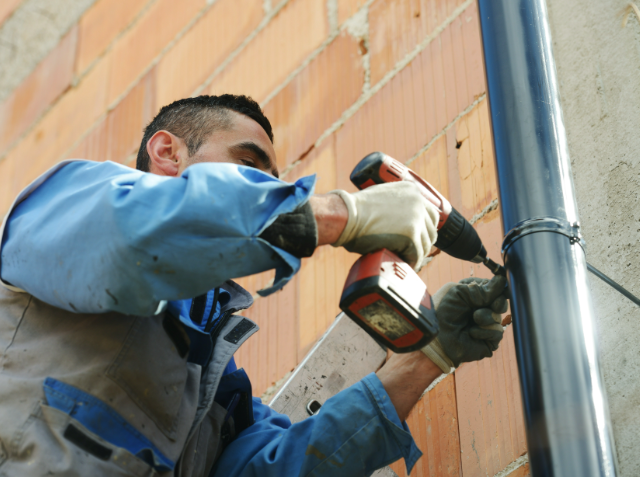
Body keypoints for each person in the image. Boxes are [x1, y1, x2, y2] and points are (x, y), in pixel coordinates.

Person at [0, 94, 508, 476]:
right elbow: (135, 232)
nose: (268, 190)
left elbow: (278, 468)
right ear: (167, 153)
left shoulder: (217, 391)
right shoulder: (66, 205)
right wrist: (338, 213)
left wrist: (427, 357)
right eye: (250, 168)